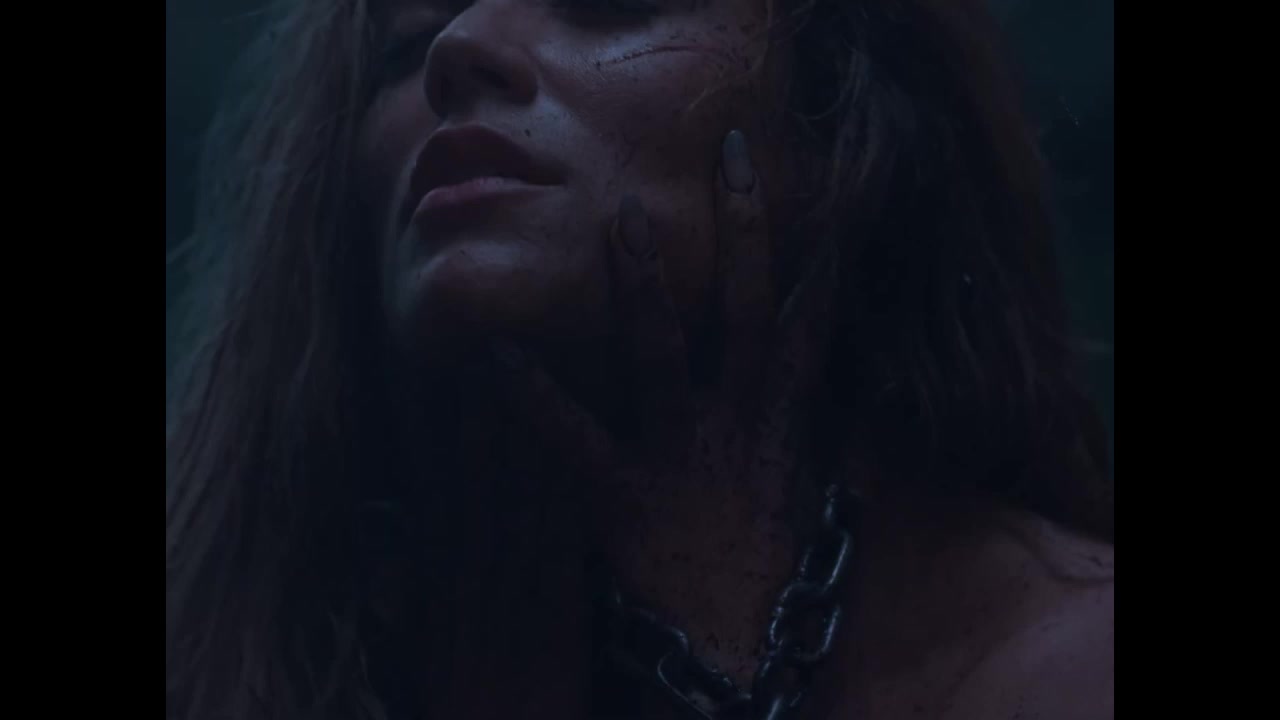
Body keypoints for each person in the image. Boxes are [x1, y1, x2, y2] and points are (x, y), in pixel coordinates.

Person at [166, 0, 1115, 718]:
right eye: (404, 48)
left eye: (607, 1)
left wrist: (721, 635)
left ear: (844, 117)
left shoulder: (1073, 662)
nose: (460, 46)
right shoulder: (242, 662)